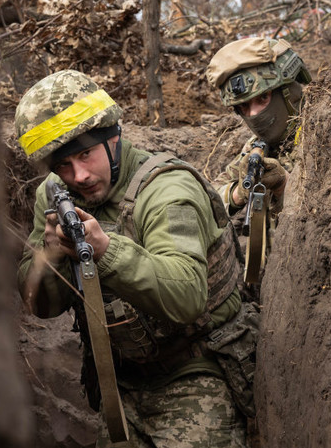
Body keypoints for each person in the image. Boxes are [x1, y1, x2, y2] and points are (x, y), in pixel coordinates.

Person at [15, 70, 249, 448]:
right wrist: (51, 255)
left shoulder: (168, 189)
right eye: (62, 165)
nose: (80, 176)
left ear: (114, 136)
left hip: (194, 369)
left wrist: (105, 250)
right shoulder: (55, 195)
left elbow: (188, 296)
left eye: (85, 154)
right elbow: (39, 306)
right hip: (118, 383)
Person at [205, 38, 311, 280]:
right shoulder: (255, 148)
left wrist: (285, 186)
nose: (253, 115)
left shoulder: (324, 135)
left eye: (262, 99)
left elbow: (325, 214)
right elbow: (205, 201)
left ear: (288, 91)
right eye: (243, 108)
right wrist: (237, 194)